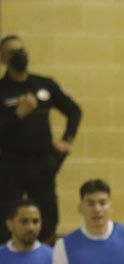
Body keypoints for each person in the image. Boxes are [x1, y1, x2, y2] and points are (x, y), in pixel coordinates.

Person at [0, 35, 82, 244]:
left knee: (48, 216)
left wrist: (67, 139)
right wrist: (18, 114)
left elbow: (74, 111)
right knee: (6, 217)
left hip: (42, 164)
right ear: (3, 59)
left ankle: (45, 261)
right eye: (12, 52)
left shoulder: (44, 84)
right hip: (10, 166)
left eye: (22, 50)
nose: (19, 55)